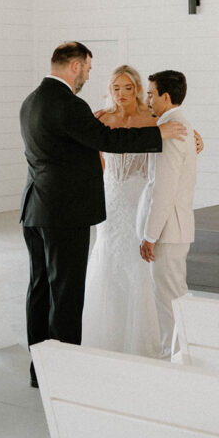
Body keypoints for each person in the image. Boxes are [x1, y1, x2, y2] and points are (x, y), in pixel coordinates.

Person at [19, 43, 185, 386]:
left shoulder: (30, 101)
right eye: (89, 69)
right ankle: (64, 371)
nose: (90, 76)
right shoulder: (70, 105)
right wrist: (159, 133)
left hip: (34, 210)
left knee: (40, 290)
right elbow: (105, 138)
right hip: (65, 214)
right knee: (65, 294)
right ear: (76, 67)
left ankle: (41, 369)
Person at [82, 65, 203, 357]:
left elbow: (187, 139)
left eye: (129, 88)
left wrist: (199, 140)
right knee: (108, 259)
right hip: (111, 200)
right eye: (116, 88)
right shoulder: (99, 118)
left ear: (138, 90)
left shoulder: (154, 119)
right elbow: (94, 158)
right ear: (109, 90)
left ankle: (153, 341)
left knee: (143, 271)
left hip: (139, 201)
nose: (122, 93)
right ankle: (109, 335)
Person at [138, 70, 197, 359]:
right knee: (175, 296)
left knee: (170, 300)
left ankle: (173, 357)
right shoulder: (178, 124)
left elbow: (163, 189)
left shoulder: (171, 129)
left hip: (168, 231)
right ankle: (180, 353)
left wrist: (150, 235)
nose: (146, 99)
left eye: (150, 93)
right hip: (174, 228)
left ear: (165, 96)